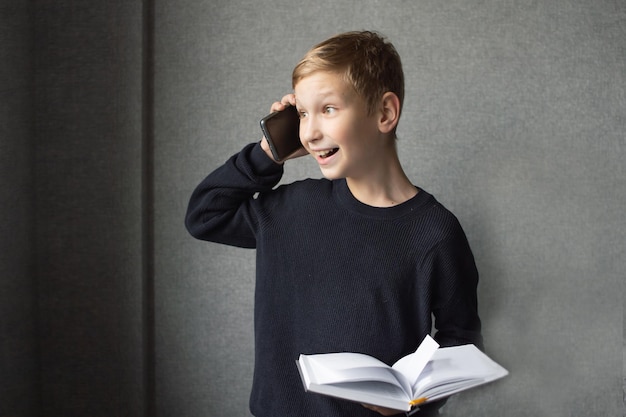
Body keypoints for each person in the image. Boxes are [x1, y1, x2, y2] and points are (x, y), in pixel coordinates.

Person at [185, 31, 483, 417]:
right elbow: (204, 215)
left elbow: (462, 339)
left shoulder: (435, 232)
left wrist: (412, 397)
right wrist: (267, 154)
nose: (309, 133)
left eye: (328, 109)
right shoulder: (289, 210)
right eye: (302, 114)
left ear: (384, 113)